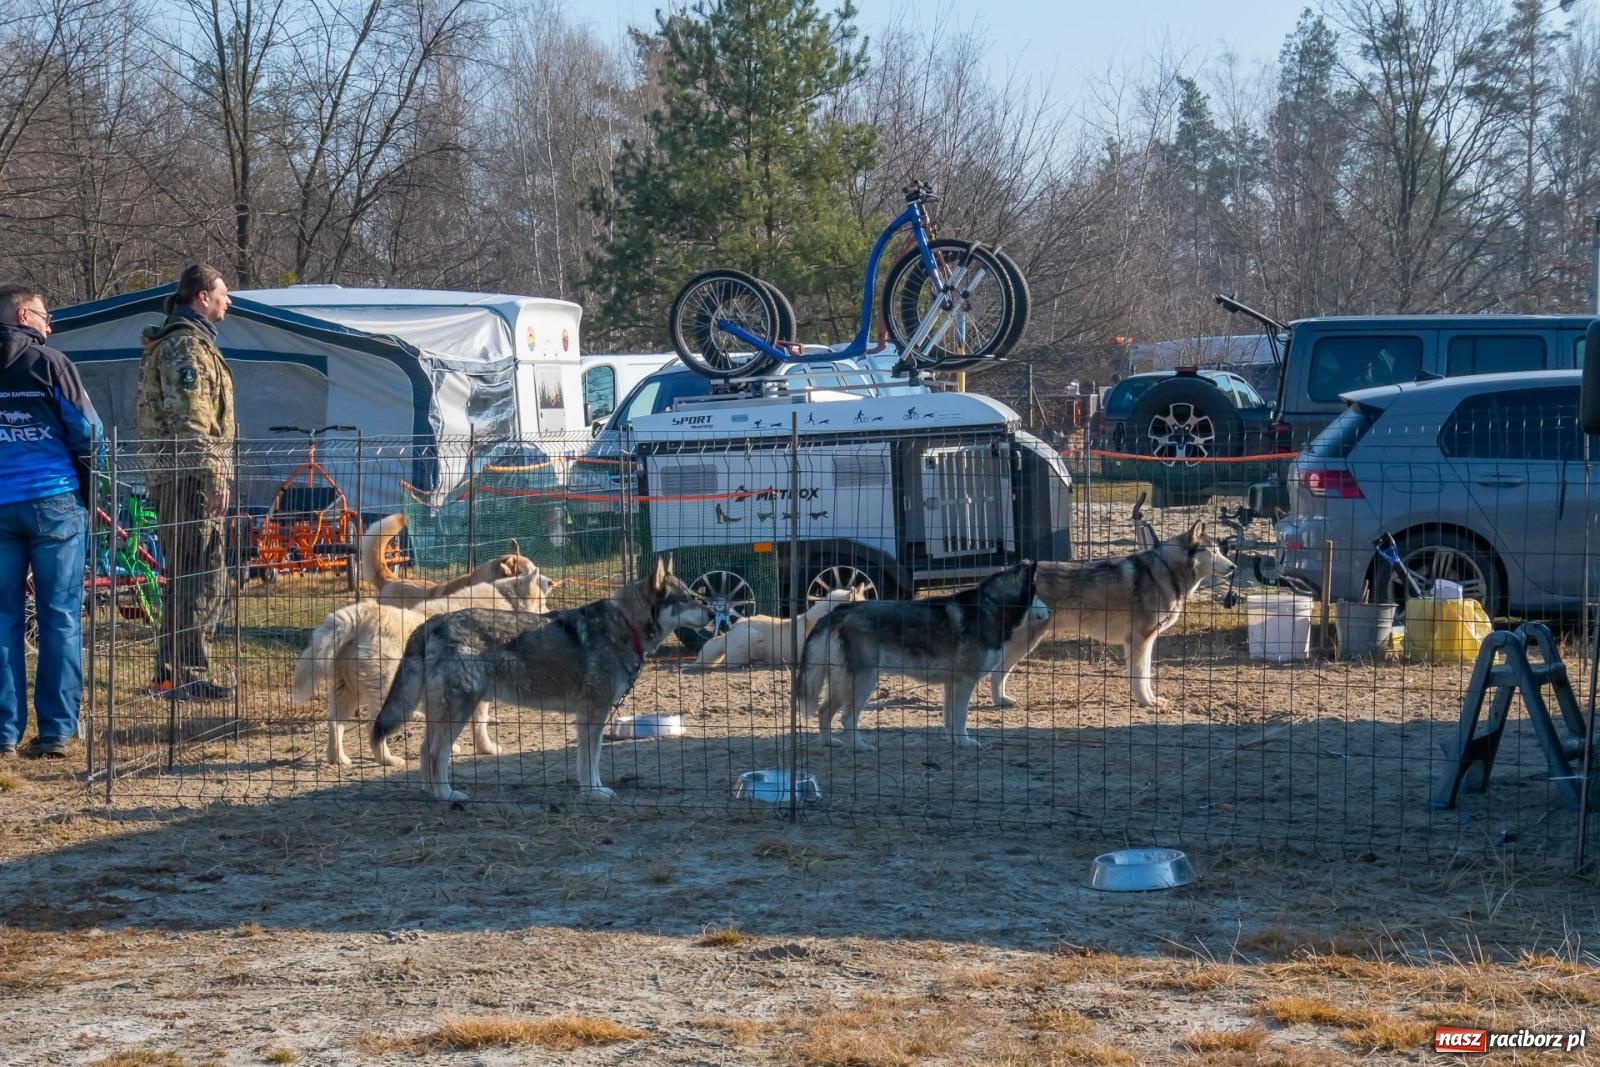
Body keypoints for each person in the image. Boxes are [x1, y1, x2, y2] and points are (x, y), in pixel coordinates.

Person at [0, 285, 102, 758]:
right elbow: (89, 432)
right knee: (59, 617)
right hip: (53, 501)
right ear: (23, 314)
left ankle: (3, 734)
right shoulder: (50, 363)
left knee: (3, 622)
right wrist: (88, 485)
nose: (49, 324)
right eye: (44, 315)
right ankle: (58, 731)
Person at [135, 264, 236, 702]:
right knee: (199, 577)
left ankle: (173, 673)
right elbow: (191, 422)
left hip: (185, 476)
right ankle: (183, 675)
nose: (227, 301)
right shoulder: (184, 349)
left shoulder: (192, 344)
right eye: (223, 293)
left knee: (200, 574)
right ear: (201, 296)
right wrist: (213, 476)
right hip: (187, 479)